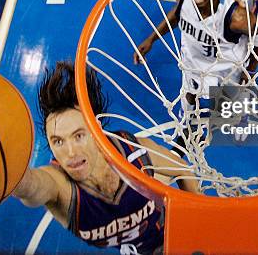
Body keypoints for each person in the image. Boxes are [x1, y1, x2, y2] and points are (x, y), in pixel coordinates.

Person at [12, 61, 199, 254]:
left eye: (79, 136)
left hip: (176, 235)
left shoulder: (131, 150)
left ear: (97, 131)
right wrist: (10, 177)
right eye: (58, 141)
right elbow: (33, 187)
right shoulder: (62, 188)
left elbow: (183, 170)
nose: (70, 153)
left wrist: (199, 220)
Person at [133, 0, 258, 110]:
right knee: (189, 93)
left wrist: (250, 69)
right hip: (193, 62)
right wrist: (152, 39)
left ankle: (238, 122)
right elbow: (177, 13)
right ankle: (187, 120)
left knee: (232, 104)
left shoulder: (237, 17)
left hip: (227, 68)